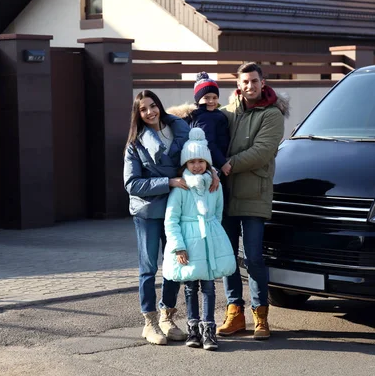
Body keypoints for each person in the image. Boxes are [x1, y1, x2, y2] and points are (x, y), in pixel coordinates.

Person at [123, 90, 219, 345]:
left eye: (153, 106)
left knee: (174, 264)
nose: (150, 112)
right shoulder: (135, 143)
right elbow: (132, 184)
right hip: (148, 211)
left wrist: (213, 171)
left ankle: (167, 316)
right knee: (149, 267)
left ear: (159, 106)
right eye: (143, 109)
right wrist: (169, 181)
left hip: (178, 209)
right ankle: (150, 322)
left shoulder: (181, 130)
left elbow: (196, 158)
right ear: (138, 114)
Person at [217, 62, 289, 340]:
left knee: (254, 258)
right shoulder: (228, 111)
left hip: (254, 196)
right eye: (245, 81)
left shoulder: (272, 114)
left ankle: (261, 316)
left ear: (263, 82)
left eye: (254, 81)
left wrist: (228, 164)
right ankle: (235, 313)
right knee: (227, 259)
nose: (250, 86)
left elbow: (262, 151)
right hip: (225, 196)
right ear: (239, 83)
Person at [162, 127, 236, 351]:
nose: (196, 166)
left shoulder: (214, 185)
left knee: (210, 287)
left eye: (201, 161)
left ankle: (209, 329)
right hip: (189, 243)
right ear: (185, 164)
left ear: (207, 163)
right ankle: (193, 327)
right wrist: (178, 247)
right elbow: (171, 220)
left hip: (209, 241)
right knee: (190, 287)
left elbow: (218, 214)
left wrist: (215, 237)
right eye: (192, 161)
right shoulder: (181, 189)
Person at [167, 71, 229, 171]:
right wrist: (222, 163)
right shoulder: (205, 117)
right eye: (206, 98)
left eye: (215, 97)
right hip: (211, 164)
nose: (211, 101)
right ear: (198, 99)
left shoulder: (212, 114)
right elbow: (208, 142)